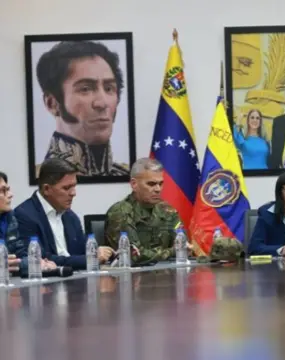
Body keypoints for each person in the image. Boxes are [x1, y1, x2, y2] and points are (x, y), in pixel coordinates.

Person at [35, 40, 129, 178]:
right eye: (85, 89)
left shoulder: (128, 175)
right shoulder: (39, 177)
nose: (102, 103)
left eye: (109, 88)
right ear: (52, 103)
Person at [15, 158, 114, 270]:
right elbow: (39, 259)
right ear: (47, 189)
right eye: (66, 188)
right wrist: (90, 258)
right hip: (46, 284)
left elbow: (84, 250)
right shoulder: (24, 215)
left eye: (74, 186)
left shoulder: (70, 216)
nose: (73, 193)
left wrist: (104, 253)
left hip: (75, 280)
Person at [104, 158, 187, 265]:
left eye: (160, 183)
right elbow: (133, 256)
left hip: (166, 275)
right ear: (134, 184)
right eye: (151, 184)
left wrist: (179, 249)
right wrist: (172, 252)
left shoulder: (167, 210)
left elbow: (182, 244)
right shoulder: (120, 212)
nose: (158, 189)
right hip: (131, 278)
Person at [0, 171, 56, 275]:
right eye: (3, 191)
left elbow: (20, 254)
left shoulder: (9, 217)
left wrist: (37, 263)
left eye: (8, 190)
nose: (10, 195)